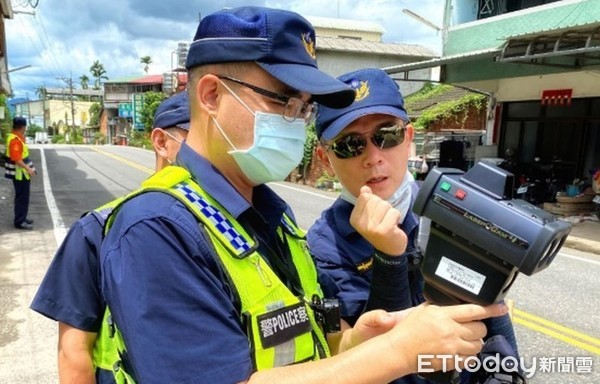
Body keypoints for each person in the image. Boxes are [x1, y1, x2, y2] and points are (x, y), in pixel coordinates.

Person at [98, 7, 507, 384]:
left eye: (305, 108)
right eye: (284, 102)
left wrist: (358, 340)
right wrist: (397, 350)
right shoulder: (157, 229)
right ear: (211, 96)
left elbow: (310, 347)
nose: (296, 122)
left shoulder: (274, 218)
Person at [307, 68, 519, 383]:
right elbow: (372, 360)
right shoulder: (325, 246)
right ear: (326, 159)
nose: (373, 157)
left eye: (387, 135)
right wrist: (389, 256)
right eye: (350, 145)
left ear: (408, 139)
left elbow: (493, 310)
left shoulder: (453, 207)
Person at [30, 91, 190, 384]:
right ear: (162, 143)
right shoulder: (98, 230)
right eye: (196, 138)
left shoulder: (236, 226)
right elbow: (74, 350)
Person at [4, 116, 36, 230]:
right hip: (20, 174)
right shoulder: (15, 140)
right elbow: (17, 159)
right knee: (22, 198)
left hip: (22, 174)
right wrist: (28, 169)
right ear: (23, 127)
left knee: (23, 197)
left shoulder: (17, 137)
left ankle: (22, 217)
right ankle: (19, 221)